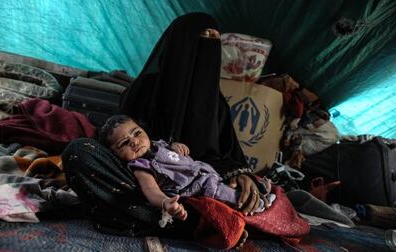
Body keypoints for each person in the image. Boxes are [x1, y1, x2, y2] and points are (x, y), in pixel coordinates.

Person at [62, 12, 266, 238]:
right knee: (79, 152)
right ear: (178, 47)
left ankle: (199, 219)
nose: (203, 55)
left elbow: (228, 155)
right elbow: (118, 142)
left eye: (211, 46)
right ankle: (193, 222)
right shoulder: (145, 89)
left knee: (259, 191)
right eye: (197, 43)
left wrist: (241, 174)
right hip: (144, 179)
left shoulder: (216, 105)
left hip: (201, 184)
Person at [99, 114, 275, 223]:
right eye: (124, 143)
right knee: (224, 195)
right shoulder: (140, 166)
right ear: (115, 154)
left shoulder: (158, 144)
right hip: (194, 189)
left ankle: (261, 191)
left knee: (228, 184)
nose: (135, 142)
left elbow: (173, 155)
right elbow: (150, 189)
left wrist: (175, 146)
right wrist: (165, 202)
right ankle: (256, 206)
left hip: (204, 173)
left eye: (137, 133)